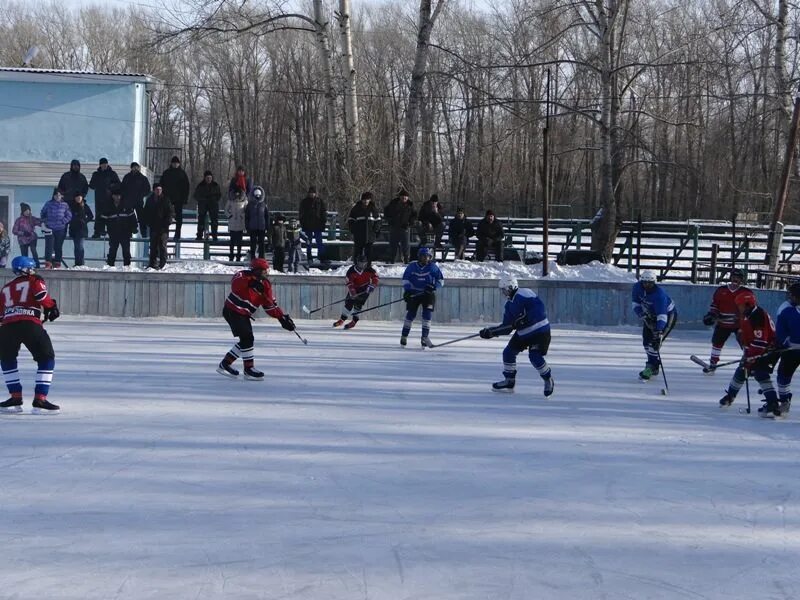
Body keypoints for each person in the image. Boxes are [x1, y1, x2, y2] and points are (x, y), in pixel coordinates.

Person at [217, 257, 295, 380]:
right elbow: (235, 285)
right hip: (232, 311)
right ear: (257, 270)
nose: (267, 273)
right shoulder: (242, 275)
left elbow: (269, 305)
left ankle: (225, 364)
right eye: (264, 270)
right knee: (247, 338)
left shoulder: (266, 285)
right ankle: (248, 368)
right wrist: (249, 283)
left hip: (243, 314)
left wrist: (281, 318)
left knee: (246, 340)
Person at [0, 256, 60, 413]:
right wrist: (51, 306)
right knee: (47, 357)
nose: (33, 270)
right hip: (29, 323)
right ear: (26, 269)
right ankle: (40, 398)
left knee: (7, 359)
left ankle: (15, 396)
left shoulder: (6, 287)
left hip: (7, 326)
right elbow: (41, 297)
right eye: (31, 268)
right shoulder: (34, 280)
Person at [479, 274, 554, 396]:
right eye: (502, 290)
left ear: (511, 286)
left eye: (505, 289)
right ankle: (509, 380)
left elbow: (539, 309)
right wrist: (491, 332)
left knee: (534, 356)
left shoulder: (525, 293)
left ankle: (548, 379)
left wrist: (525, 319)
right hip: (523, 334)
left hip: (540, 331)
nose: (504, 292)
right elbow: (506, 327)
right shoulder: (509, 305)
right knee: (508, 353)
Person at [717, 291, 781, 416]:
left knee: (760, 373)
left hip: (768, 350)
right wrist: (747, 353)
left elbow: (761, 341)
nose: (738, 308)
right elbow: (748, 337)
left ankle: (772, 403)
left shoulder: (757, 315)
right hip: (755, 349)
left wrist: (751, 356)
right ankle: (730, 396)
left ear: (748, 304)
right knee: (742, 370)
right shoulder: (748, 314)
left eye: (740, 305)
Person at [702, 268, 751, 371]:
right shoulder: (721, 290)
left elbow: (751, 309)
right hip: (723, 323)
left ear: (741, 280)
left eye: (738, 278)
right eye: (733, 277)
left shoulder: (747, 292)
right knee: (717, 342)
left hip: (740, 325)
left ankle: (750, 365)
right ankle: (713, 363)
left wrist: (744, 319)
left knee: (746, 343)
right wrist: (712, 315)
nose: (735, 280)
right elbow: (715, 305)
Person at [632, 270, 677, 381]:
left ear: (654, 283)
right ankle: (654, 364)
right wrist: (643, 316)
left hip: (667, 315)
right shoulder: (637, 287)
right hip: (650, 315)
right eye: (644, 282)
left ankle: (651, 367)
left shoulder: (659, 295)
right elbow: (635, 304)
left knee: (654, 342)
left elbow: (662, 316)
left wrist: (659, 331)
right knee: (646, 342)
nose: (647, 285)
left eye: (650, 283)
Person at [400, 246, 444, 348]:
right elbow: (405, 279)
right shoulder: (412, 266)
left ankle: (424, 337)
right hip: (414, 294)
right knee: (410, 315)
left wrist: (433, 287)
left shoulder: (433, 267)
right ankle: (404, 335)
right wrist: (407, 291)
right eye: (423, 256)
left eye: (428, 256)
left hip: (428, 294)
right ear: (419, 256)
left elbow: (441, 281)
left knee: (427, 316)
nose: (426, 258)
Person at [774, 282, 800, 417]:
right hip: (791, 351)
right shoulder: (785, 309)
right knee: (783, 376)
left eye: (792, 295)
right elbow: (780, 331)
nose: (790, 297)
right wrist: (785, 343)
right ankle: (784, 402)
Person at [333, 254, 379, 329]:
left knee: (358, 305)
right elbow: (349, 282)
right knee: (348, 304)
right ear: (357, 262)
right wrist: (352, 292)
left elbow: (375, 277)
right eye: (361, 263)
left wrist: (372, 285)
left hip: (364, 290)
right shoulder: (351, 271)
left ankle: (354, 321)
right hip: (354, 289)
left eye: (364, 263)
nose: (362, 265)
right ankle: (342, 320)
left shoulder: (369, 269)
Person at [102, 186, 137, 267]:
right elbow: (103, 219)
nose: (117, 197)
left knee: (126, 251)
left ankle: (127, 266)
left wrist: (134, 227)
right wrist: (101, 229)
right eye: (115, 195)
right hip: (113, 233)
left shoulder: (127, 205)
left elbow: (132, 218)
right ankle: (110, 267)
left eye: (118, 195)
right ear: (112, 196)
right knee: (112, 250)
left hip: (125, 232)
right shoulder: (108, 207)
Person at [142, 183, 174, 269]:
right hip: (153, 226)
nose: (158, 191)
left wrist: (168, 222)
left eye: (160, 189)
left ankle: (163, 264)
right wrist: (148, 222)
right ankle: (152, 264)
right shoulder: (150, 200)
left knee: (162, 246)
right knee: (153, 246)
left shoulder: (166, 200)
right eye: (157, 189)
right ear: (154, 190)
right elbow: (146, 212)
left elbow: (170, 212)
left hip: (163, 227)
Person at [160, 156, 190, 241]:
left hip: (178, 199)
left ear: (179, 164)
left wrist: (185, 198)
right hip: (167, 198)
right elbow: (161, 184)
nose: (175, 164)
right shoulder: (166, 173)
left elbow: (186, 187)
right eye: (174, 163)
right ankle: (165, 233)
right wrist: (162, 196)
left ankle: (177, 233)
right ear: (171, 163)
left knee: (179, 217)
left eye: (177, 163)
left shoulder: (182, 173)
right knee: (166, 216)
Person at [40, 187, 72, 269]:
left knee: (58, 246)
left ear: (62, 196)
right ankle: (48, 262)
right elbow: (43, 213)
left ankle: (57, 262)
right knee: (49, 246)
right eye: (56, 195)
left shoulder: (65, 205)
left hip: (60, 229)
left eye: (59, 195)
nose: (57, 196)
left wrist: (63, 221)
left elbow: (69, 215)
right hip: (50, 228)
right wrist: (46, 221)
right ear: (53, 196)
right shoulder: (48, 204)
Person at [88, 158, 120, 238]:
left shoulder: (112, 174)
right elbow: (92, 185)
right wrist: (94, 183)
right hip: (99, 198)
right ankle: (97, 232)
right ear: (100, 165)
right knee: (99, 216)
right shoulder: (96, 174)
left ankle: (112, 232)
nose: (104, 165)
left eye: (105, 164)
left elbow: (118, 184)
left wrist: (111, 187)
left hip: (109, 198)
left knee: (110, 215)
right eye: (103, 164)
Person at [384, 189, 416, 263]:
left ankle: (406, 259)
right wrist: (389, 221)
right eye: (402, 196)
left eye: (405, 196)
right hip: (394, 227)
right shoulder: (393, 203)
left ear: (407, 197)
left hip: (405, 227)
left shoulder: (410, 205)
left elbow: (414, 215)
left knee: (406, 244)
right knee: (393, 244)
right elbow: (386, 212)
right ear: (400, 197)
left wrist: (410, 223)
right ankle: (391, 259)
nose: (404, 198)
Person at [347, 191, 381, 261]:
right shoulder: (356, 208)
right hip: (359, 235)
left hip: (370, 235)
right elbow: (351, 220)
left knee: (369, 253)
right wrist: (354, 230)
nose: (366, 201)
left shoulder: (373, 209)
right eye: (364, 199)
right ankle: (356, 265)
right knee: (358, 252)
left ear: (370, 200)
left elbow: (378, 220)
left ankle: (368, 266)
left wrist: (375, 230)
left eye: (367, 199)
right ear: (362, 200)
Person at [121, 162, 151, 235]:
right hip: (128, 202)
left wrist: (141, 195)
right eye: (134, 167)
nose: (135, 168)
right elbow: (122, 188)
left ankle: (143, 234)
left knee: (141, 218)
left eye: (137, 167)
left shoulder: (143, 178)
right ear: (131, 168)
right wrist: (125, 196)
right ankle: (130, 232)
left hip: (138, 201)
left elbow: (148, 190)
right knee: (128, 218)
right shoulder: (127, 177)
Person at [298, 186, 327, 263]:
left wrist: (323, 222)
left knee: (319, 242)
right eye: (310, 193)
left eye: (313, 193)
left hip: (318, 225)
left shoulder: (320, 201)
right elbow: (301, 213)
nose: (312, 194)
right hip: (308, 225)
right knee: (308, 242)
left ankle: (321, 256)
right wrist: (302, 223)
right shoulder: (304, 202)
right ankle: (309, 256)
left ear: (315, 193)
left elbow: (323, 212)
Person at [194, 170, 221, 241]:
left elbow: (219, 195)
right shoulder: (200, 185)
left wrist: (214, 199)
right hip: (203, 205)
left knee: (214, 221)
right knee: (201, 220)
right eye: (207, 178)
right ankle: (199, 235)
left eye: (210, 177)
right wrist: (202, 200)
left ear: (212, 178)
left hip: (213, 205)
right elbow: (196, 195)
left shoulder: (215, 185)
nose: (208, 179)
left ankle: (214, 235)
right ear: (205, 178)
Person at [68, 193, 94, 266]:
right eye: (77, 197)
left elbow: (91, 216)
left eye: (80, 197)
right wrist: (71, 221)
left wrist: (85, 220)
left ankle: (81, 263)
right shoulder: (71, 206)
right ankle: (77, 263)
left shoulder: (85, 206)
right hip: (73, 229)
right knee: (76, 247)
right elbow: (68, 215)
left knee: (80, 246)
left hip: (82, 229)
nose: (78, 198)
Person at [13, 203, 41, 268]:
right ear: (23, 212)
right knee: (24, 254)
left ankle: (37, 264)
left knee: (33, 250)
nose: (27, 212)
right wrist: (23, 233)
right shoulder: (19, 220)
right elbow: (14, 231)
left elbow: (40, 223)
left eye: (29, 210)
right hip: (22, 240)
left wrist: (44, 221)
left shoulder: (32, 218)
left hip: (32, 238)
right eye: (26, 211)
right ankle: (26, 266)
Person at [245, 186, 269, 259]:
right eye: (256, 195)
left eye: (259, 195)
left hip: (262, 227)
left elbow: (267, 216)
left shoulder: (264, 205)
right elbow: (247, 217)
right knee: (253, 243)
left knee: (261, 243)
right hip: (252, 227)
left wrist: (267, 226)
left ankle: (261, 257)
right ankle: (253, 257)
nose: (257, 196)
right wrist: (247, 227)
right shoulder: (250, 205)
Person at [225, 187, 248, 262]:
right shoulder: (230, 200)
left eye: (238, 193)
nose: (237, 194)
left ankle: (238, 255)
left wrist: (242, 216)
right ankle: (231, 255)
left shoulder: (245, 201)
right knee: (232, 241)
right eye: (236, 193)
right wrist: (230, 215)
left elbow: (247, 211)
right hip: (232, 223)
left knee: (239, 241)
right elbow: (226, 210)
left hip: (240, 223)